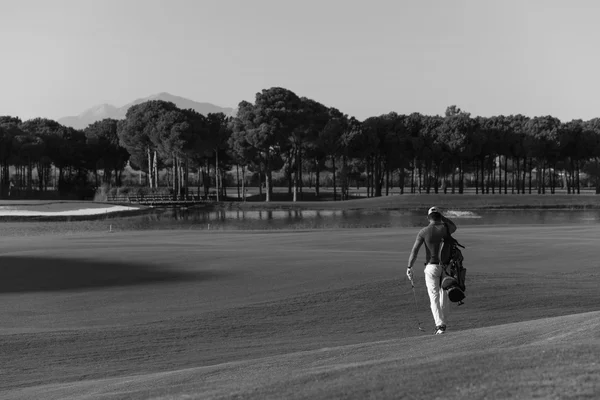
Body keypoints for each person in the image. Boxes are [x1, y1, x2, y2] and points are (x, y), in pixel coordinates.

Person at [406, 206, 457, 335]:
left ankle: (440, 326)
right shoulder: (445, 229)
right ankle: (442, 324)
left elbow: (414, 251)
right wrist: (442, 218)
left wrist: (409, 267)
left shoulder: (423, 231)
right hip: (446, 267)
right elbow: (454, 226)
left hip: (431, 267)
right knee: (444, 296)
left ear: (428, 218)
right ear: (440, 216)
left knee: (434, 297)